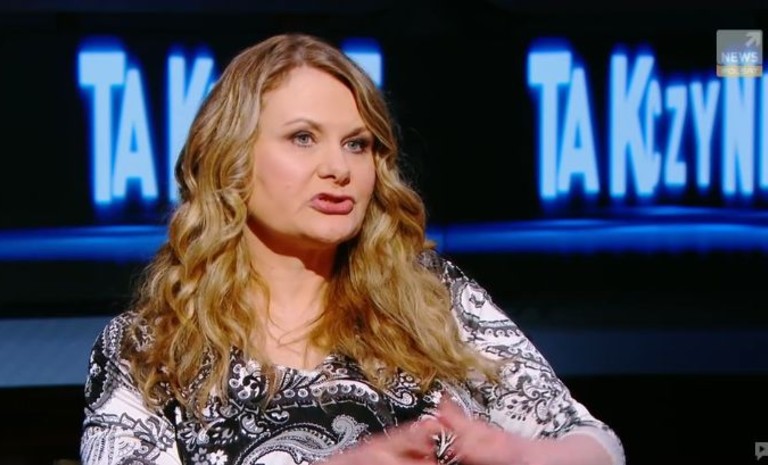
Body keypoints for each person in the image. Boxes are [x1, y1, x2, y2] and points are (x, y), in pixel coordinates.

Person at [80, 32, 625, 465]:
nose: (339, 168)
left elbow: (594, 443)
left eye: (356, 144)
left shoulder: (434, 300)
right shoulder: (151, 350)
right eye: (303, 138)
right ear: (232, 159)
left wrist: (519, 455)